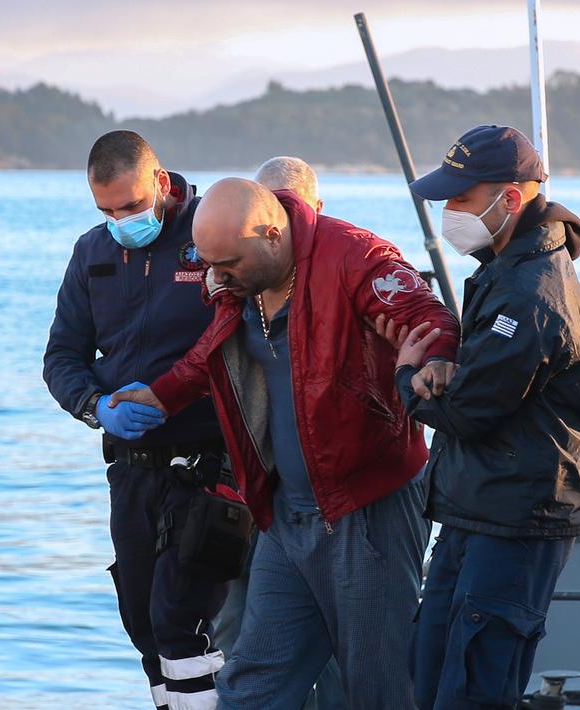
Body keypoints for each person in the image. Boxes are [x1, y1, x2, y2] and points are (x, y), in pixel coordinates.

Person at [110, 177, 460, 708]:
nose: (217, 277)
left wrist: (434, 359)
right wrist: (162, 395)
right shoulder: (239, 277)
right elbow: (215, 350)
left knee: (375, 684)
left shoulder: (355, 256)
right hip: (286, 512)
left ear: (271, 236)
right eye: (210, 265)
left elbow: (430, 318)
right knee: (252, 683)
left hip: (367, 509)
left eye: (228, 264)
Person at [398, 124, 580, 710]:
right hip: (480, 504)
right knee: (430, 669)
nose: (449, 212)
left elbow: (471, 411)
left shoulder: (529, 292)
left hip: (518, 516)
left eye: (461, 199)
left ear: (510, 199)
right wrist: (449, 369)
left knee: (474, 687)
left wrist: (407, 377)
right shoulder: (506, 269)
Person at [42, 130, 230, 709]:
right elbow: (61, 357)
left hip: (207, 462)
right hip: (129, 468)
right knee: (142, 620)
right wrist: (96, 407)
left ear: (161, 181)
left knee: (181, 619)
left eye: (130, 206)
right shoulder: (92, 252)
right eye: (107, 212)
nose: (121, 222)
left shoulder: (210, 232)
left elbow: (244, 339)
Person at [210, 156, 346, 710]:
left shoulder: (345, 276)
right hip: (245, 495)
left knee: (339, 654)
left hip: (327, 508)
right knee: (239, 645)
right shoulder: (236, 285)